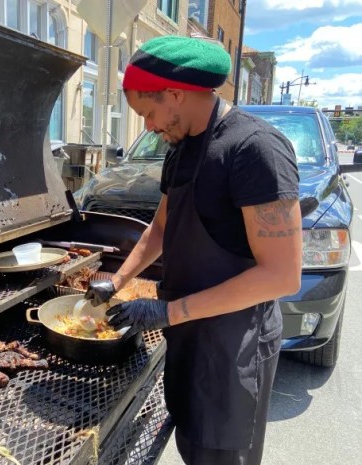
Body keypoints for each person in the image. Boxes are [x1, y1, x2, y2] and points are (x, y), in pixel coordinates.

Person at [85, 35, 302, 465]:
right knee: (190, 445)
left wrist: (168, 312)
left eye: (148, 113)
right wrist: (118, 280)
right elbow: (162, 227)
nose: (147, 126)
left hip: (232, 348)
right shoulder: (180, 151)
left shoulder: (255, 149)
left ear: (176, 94)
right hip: (189, 336)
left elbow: (281, 274)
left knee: (220, 456)